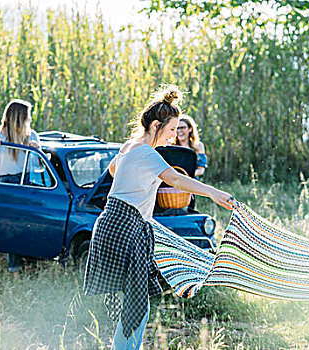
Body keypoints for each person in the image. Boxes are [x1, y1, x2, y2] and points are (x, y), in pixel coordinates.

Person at [83, 85, 236, 349]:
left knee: (131, 303)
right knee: (136, 304)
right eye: (171, 130)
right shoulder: (146, 152)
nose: (175, 136)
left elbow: (112, 169)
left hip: (111, 223)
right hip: (125, 227)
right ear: (156, 125)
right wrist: (213, 193)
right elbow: (176, 179)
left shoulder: (131, 146)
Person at [0, 99, 40, 279]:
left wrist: (36, 150)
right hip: (6, 183)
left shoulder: (32, 135)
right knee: (12, 226)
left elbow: (41, 165)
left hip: (26, 182)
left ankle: (32, 266)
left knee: (30, 225)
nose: (30, 119)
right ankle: (15, 272)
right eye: (27, 116)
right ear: (19, 117)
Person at [173, 114, 207, 179]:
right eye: (177, 128)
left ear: (190, 129)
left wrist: (185, 176)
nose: (179, 131)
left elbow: (201, 170)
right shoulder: (170, 146)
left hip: (192, 182)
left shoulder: (198, 146)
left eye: (182, 127)